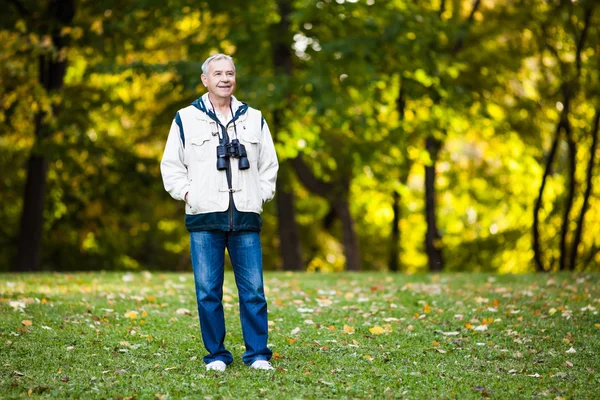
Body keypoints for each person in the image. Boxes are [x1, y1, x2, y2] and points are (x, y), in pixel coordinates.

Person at [160, 54, 279, 372]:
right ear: (205, 80)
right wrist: (189, 194)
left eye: (230, 73)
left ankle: (257, 355)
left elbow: (269, 166)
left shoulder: (253, 118)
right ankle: (216, 355)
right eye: (218, 74)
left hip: (245, 217)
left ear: (235, 78)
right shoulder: (185, 118)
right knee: (207, 291)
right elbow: (171, 167)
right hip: (204, 217)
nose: (225, 78)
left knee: (253, 290)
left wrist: (259, 195)